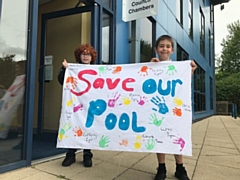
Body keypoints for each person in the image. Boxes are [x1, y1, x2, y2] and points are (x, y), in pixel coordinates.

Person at [150, 35, 197, 180]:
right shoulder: (151, 66)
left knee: (177, 136)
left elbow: (182, 84)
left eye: (167, 46)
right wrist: (150, 67)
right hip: (157, 109)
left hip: (175, 110)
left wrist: (191, 70)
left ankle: (180, 167)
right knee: (159, 136)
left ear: (172, 50)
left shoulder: (179, 68)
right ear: (156, 49)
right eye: (161, 46)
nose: (164, 48)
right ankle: (161, 167)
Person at [57, 44, 97, 167]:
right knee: (73, 125)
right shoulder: (72, 70)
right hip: (76, 103)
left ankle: (87, 155)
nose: (86, 56)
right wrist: (64, 69)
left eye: (88, 54)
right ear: (79, 56)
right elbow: (61, 81)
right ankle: (71, 154)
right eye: (83, 54)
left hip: (90, 105)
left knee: (88, 127)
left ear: (92, 57)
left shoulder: (98, 71)